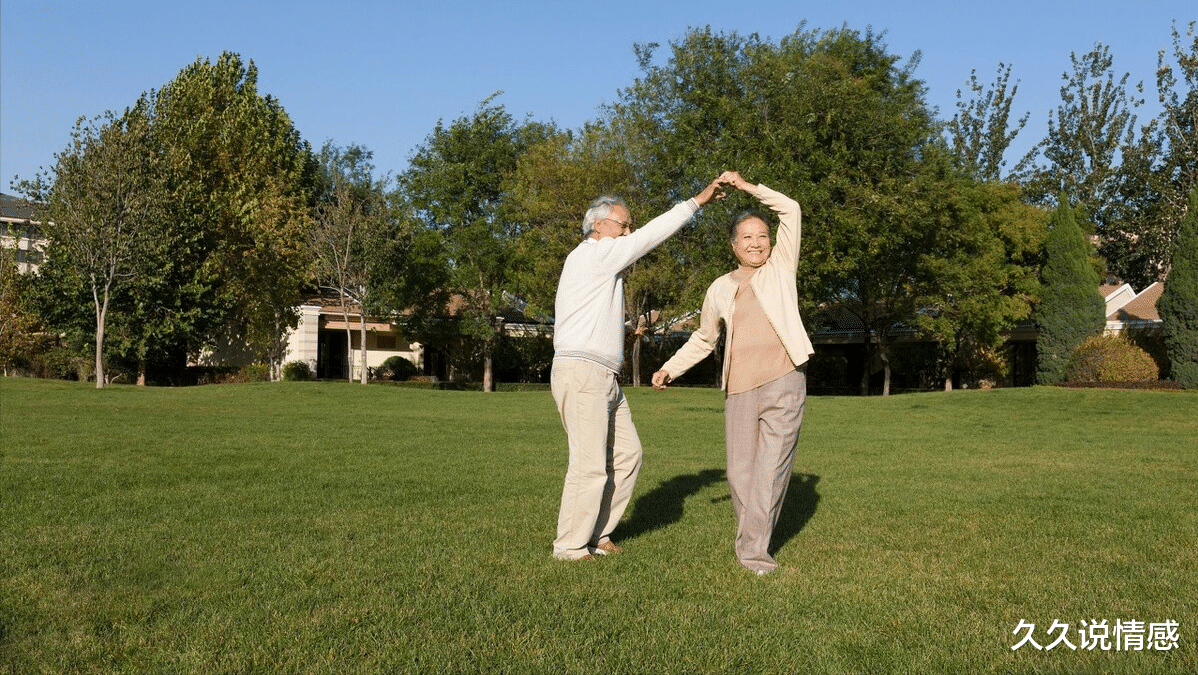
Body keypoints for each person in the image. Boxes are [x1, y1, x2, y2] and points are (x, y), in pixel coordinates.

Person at [551, 175, 729, 561]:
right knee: (589, 464)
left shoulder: (598, 267)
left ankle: (598, 534)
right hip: (583, 374)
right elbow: (651, 236)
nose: (629, 230)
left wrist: (629, 329)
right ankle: (568, 547)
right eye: (623, 224)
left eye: (630, 225)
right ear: (598, 225)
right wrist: (698, 200)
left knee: (628, 455)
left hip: (603, 377)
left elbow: (588, 319)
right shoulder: (592, 253)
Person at [651, 172, 814, 575]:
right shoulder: (720, 288)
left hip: (784, 379)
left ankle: (754, 554)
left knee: (771, 470)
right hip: (739, 388)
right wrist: (670, 368)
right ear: (733, 246)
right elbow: (705, 339)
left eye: (762, 235)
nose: (757, 242)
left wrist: (748, 188)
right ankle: (751, 540)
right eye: (747, 237)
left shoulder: (780, 268)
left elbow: (790, 209)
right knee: (741, 474)